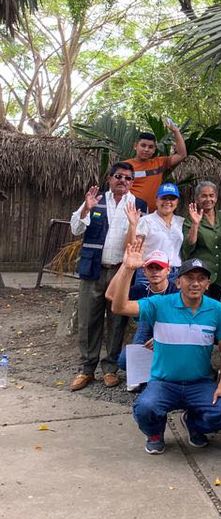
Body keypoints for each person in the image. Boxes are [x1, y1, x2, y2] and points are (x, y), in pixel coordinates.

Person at [110, 244, 221, 453]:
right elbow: (119, 307)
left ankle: (194, 425)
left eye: (201, 279)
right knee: (145, 408)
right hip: (164, 383)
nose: (195, 283)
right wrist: (128, 269)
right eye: (189, 278)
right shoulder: (159, 304)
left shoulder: (217, 310)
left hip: (200, 383)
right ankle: (155, 433)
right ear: (177, 282)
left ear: (208, 284)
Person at [68, 163, 147, 391]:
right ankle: (86, 369)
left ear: (132, 182)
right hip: (93, 269)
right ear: (110, 178)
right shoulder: (96, 199)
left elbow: (140, 239)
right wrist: (86, 209)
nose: (123, 181)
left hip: (120, 271)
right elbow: (75, 229)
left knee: (117, 320)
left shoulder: (139, 205)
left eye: (128, 178)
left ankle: (110, 368)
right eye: (118, 176)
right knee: (88, 320)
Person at [111, 250, 178, 378]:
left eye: (159, 268)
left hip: (172, 333)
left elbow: (186, 322)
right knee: (123, 361)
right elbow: (111, 295)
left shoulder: (176, 292)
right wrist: (126, 267)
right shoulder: (141, 290)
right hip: (147, 333)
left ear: (168, 270)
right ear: (144, 271)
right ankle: (150, 369)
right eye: (151, 268)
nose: (155, 271)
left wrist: (162, 338)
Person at [182, 181, 221, 300]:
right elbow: (188, 246)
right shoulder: (190, 220)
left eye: (211, 195)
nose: (208, 199)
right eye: (204, 196)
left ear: (216, 197)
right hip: (202, 277)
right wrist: (195, 224)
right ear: (197, 199)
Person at [127, 182, 184, 282]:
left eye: (172, 198)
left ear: (177, 201)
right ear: (156, 200)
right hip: (151, 270)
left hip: (174, 272)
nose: (168, 202)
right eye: (164, 198)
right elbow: (134, 246)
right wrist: (132, 225)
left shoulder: (181, 222)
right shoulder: (146, 221)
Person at [127, 124, 187, 209]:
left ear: (154, 149)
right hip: (130, 212)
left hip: (154, 214)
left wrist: (176, 131)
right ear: (135, 146)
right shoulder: (124, 166)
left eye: (150, 147)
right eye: (143, 145)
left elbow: (181, 155)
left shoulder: (159, 163)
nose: (146, 149)